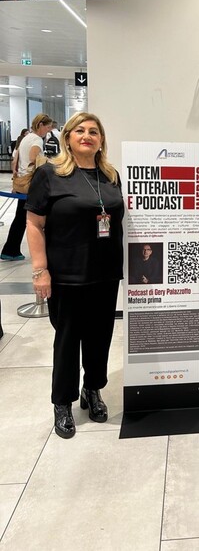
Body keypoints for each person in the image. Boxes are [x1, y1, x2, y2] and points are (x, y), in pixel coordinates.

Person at [25, 113, 124, 439]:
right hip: (67, 274)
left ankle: (92, 389)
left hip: (106, 273)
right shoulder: (49, 174)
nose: (87, 135)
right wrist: (41, 271)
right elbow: (34, 225)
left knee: (100, 337)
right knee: (67, 340)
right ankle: (62, 402)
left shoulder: (110, 176)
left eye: (94, 131)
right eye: (80, 130)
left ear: (101, 139)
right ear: (67, 137)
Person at [1, 114, 53, 261]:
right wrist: (48, 162)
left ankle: (10, 249)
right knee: (37, 218)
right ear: (41, 125)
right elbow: (33, 158)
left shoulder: (26, 138)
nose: (47, 131)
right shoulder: (36, 139)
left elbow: (15, 160)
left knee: (20, 217)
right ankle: (12, 250)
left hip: (22, 183)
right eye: (47, 127)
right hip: (32, 184)